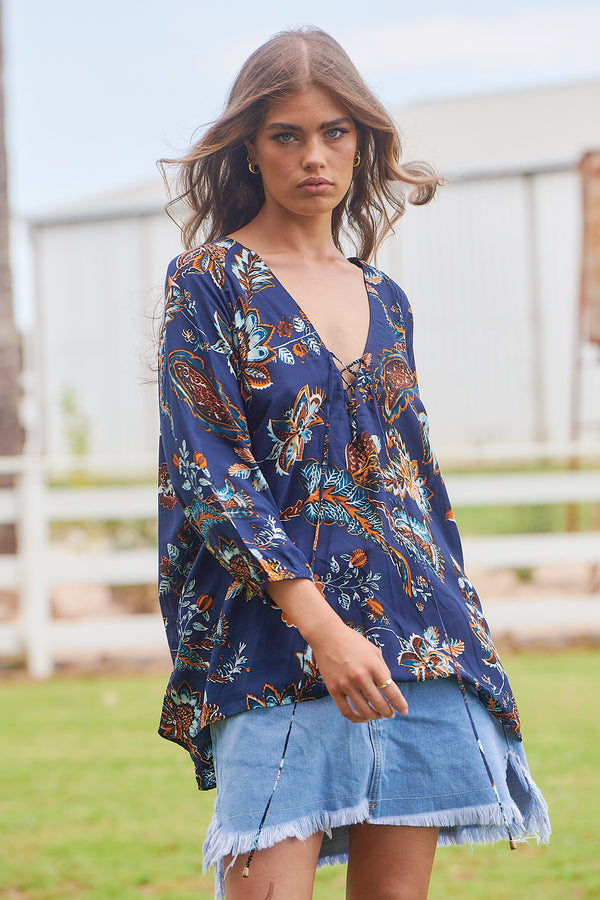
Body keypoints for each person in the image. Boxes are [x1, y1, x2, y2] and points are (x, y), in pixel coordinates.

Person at [157, 26, 550, 900]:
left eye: (335, 132)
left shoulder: (386, 298)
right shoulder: (210, 281)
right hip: (273, 641)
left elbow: (414, 484)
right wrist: (324, 630)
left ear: (363, 142)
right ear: (250, 148)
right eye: (286, 135)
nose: (313, 156)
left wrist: (463, 623)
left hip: (413, 635)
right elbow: (211, 474)